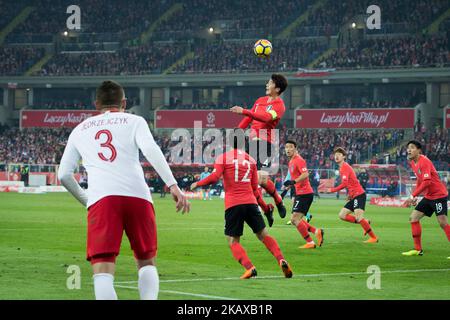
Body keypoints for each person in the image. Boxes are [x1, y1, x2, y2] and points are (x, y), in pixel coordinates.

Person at [58, 80, 190, 300]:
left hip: (103, 199)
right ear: (124, 102)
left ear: (96, 103)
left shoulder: (79, 130)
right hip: (139, 196)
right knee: (146, 261)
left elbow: (63, 174)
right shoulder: (135, 121)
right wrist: (173, 185)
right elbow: (151, 149)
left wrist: (87, 200)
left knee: (103, 268)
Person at [190, 129, 292, 279]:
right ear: (245, 143)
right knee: (264, 235)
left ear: (230, 142)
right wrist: (263, 207)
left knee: (233, 241)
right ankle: (281, 259)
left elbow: (214, 177)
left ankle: (250, 268)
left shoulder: (223, 158)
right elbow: (254, 187)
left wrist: (197, 183)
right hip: (250, 203)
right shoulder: (250, 160)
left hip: (233, 204)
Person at [230, 74, 288, 223]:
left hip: (265, 143)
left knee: (261, 180)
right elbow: (250, 118)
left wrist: (244, 110)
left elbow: (266, 118)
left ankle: (278, 200)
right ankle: (266, 208)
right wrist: (237, 131)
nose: (267, 84)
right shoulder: (260, 101)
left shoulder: (279, 105)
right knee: (250, 183)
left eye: (270, 83)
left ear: (278, 88)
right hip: (252, 144)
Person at [402, 140, 449, 258]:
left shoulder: (424, 161)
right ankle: (418, 249)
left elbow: (427, 182)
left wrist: (412, 196)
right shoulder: (413, 162)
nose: (409, 150)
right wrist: (415, 196)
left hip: (438, 195)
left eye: (412, 147)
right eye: (408, 148)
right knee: (413, 218)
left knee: (443, 223)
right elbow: (419, 180)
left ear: (419, 150)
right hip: (429, 197)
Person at [329, 147, 378, 244]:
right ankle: (365, 222)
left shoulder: (345, 167)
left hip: (359, 195)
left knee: (359, 218)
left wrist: (332, 190)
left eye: (339, 154)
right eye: (335, 155)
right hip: (354, 195)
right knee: (342, 215)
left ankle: (374, 237)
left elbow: (344, 183)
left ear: (344, 157)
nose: (337, 156)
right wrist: (350, 195)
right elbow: (349, 184)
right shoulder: (342, 167)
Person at [283, 140, 324, 249]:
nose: (288, 149)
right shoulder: (291, 161)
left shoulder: (299, 160)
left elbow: (305, 174)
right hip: (300, 193)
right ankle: (316, 231)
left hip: (305, 193)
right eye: (286, 147)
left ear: (295, 148)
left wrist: (294, 182)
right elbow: (295, 178)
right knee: (297, 220)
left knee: (294, 220)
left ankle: (310, 242)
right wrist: (288, 187)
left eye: (290, 147)